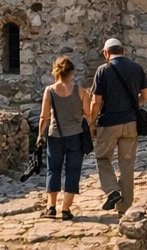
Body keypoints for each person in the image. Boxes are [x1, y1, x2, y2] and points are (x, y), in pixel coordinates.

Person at [87, 37, 147, 216]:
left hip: (108, 124)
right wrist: (134, 105)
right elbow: (146, 95)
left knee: (102, 158)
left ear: (106, 53)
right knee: (127, 164)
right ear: (124, 50)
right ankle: (125, 207)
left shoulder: (102, 70)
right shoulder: (136, 68)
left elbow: (96, 101)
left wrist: (92, 122)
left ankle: (113, 191)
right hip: (131, 123)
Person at [37, 55, 88, 220]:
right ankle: (66, 209)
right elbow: (88, 114)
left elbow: (44, 116)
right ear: (71, 73)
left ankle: (51, 207)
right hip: (76, 136)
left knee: (53, 170)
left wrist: (39, 135)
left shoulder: (50, 91)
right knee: (73, 171)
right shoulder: (80, 91)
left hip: (55, 136)